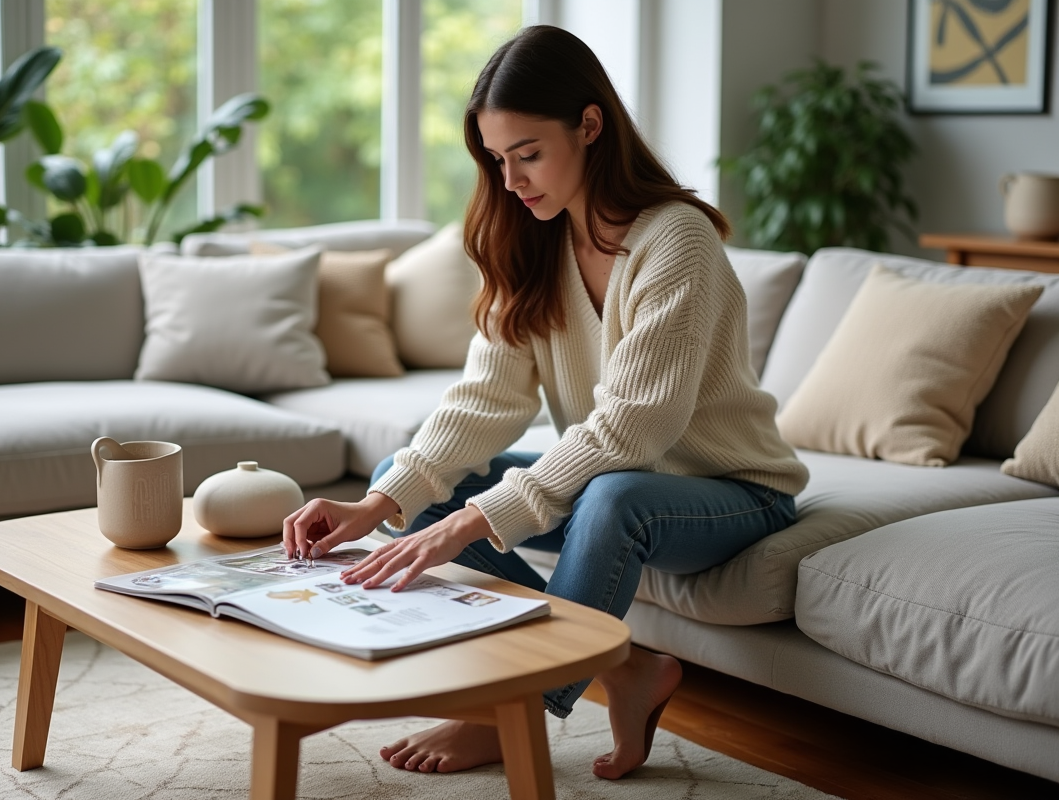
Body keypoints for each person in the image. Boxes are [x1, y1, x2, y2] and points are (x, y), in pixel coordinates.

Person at [282, 24, 808, 780]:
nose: (511, 180)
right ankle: (624, 668)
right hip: (611, 481)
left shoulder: (676, 241)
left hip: (731, 493)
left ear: (590, 126)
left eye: (528, 154)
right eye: (498, 160)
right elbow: (484, 400)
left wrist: (476, 518)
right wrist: (376, 502)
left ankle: (519, 706)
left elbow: (634, 426)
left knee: (610, 497)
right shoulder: (535, 240)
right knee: (414, 474)